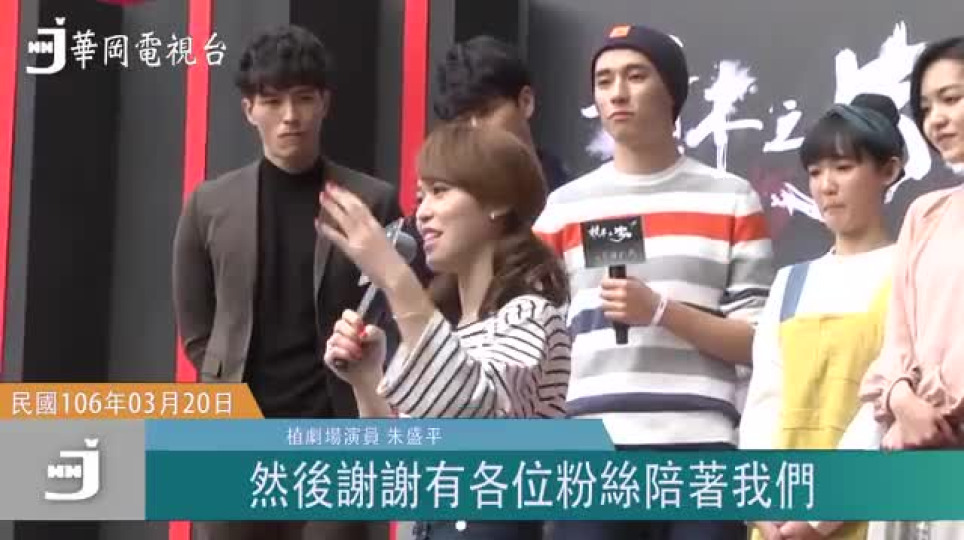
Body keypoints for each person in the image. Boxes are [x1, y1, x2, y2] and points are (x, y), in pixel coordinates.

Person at [534, 24, 775, 540]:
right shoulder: (565, 207)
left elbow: (758, 341)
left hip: (702, 448)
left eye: (636, 76)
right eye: (604, 81)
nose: (617, 93)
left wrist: (661, 312)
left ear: (672, 92)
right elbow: (535, 334)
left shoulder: (730, 198)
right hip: (592, 451)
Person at [172, 25, 395, 540]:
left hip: (337, 434)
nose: (289, 116)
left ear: (325, 103)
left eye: (303, 98)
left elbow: (394, 310)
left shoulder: (371, 202)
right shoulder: (209, 204)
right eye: (272, 101)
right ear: (249, 109)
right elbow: (197, 328)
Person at [319, 122, 572, 540]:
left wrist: (394, 277)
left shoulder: (531, 314)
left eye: (440, 191)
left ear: (497, 202)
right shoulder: (444, 332)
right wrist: (366, 382)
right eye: (421, 196)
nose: (422, 212)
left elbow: (475, 411)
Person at [740, 94, 906, 540]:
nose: (825, 186)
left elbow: (882, 411)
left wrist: (818, 517)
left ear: (889, 171)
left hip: (865, 515)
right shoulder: (791, 281)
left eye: (843, 168)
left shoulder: (908, 273)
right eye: (815, 172)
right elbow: (763, 401)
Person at [857, 35, 964, 540]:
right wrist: (901, 399)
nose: (936, 120)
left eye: (952, 98)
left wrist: (934, 414)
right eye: (925, 108)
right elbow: (897, 340)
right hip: (911, 455)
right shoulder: (926, 213)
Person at [434, 34, 571, 193]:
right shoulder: (447, 201)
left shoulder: (574, 195)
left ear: (526, 102)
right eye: (463, 120)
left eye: (485, 112)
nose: (475, 128)